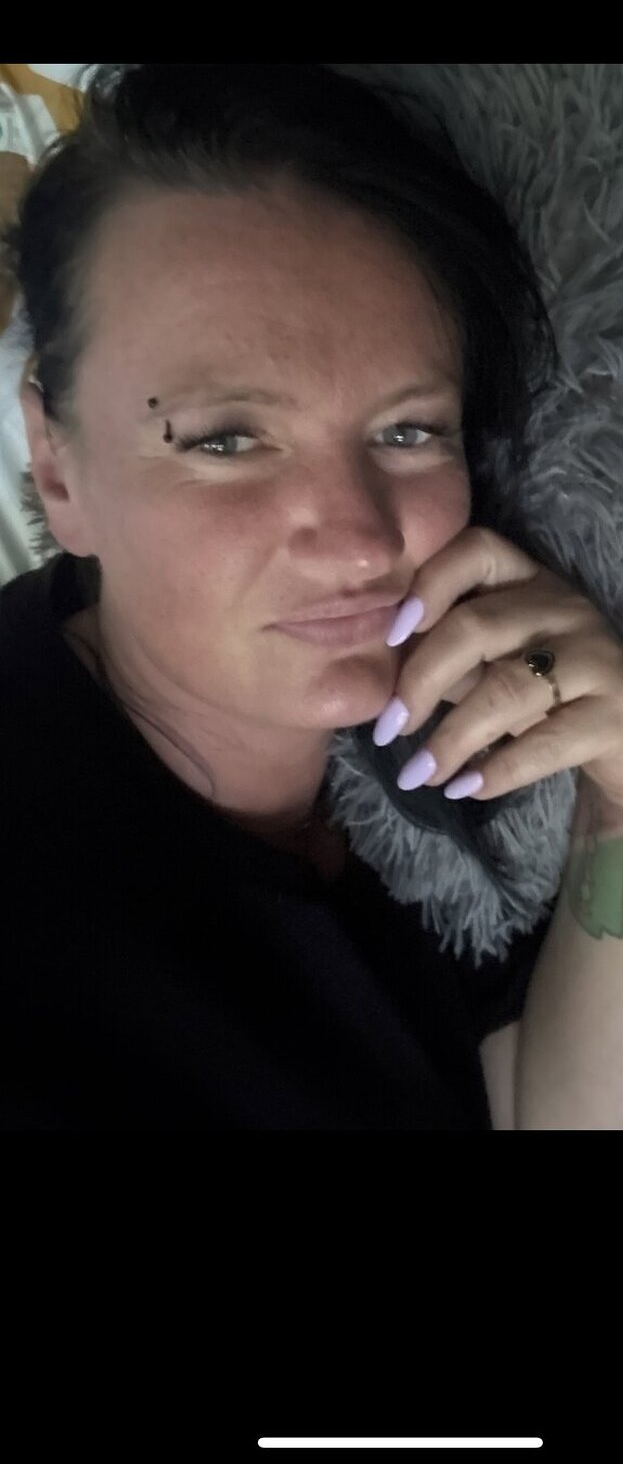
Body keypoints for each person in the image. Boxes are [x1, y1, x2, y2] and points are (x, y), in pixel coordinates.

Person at [0, 62, 560, 1130]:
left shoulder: (459, 737)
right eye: (225, 440)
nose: (360, 543)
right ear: (59, 469)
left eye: (408, 430)